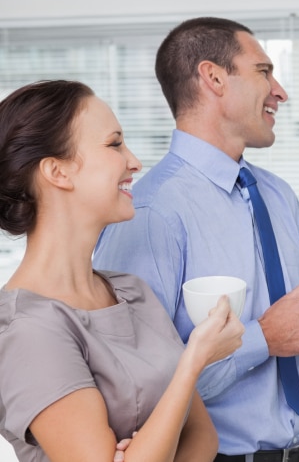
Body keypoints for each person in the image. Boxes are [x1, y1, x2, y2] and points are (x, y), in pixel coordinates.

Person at [93, 17, 299, 462]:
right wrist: (262, 339)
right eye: (264, 72)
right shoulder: (147, 213)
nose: (280, 91)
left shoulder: (278, 195)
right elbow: (135, 390)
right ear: (213, 78)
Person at [0, 80, 244, 462]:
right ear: (57, 172)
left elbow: (203, 439)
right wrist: (192, 362)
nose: (134, 161)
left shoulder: (133, 291)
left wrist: (146, 453)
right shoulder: (26, 330)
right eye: (114, 144)